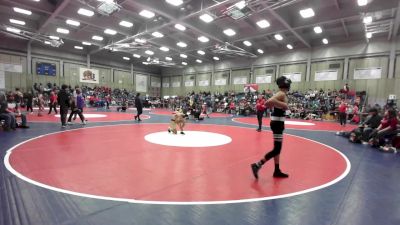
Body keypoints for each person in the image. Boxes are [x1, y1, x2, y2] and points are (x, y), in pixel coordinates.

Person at [251, 76, 291, 179]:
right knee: (277, 149)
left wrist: (282, 105)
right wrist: (283, 104)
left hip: (278, 123)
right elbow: (268, 102)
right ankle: (257, 165)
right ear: (286, 84)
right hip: (277, 123)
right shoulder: (281, 93)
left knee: (277, 149)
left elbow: (271, 104)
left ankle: (276, 170)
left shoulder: (282, 94)